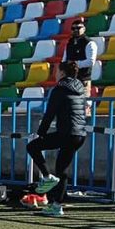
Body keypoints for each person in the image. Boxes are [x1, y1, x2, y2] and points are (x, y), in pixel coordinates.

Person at [27, 61, 88, 217]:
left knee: (32, 146)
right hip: (80, 134)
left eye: (56, 71)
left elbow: (50, 114)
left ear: (62, 73)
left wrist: (41, 133)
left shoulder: (59, 89)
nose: (55, 74)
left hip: (66, 134)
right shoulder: (80, 88)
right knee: (62, 170)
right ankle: (56, 206)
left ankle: (47, 177)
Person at [62, 19, 97, 86]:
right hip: (69, 80)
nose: (75, 30)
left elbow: (91, 61)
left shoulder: (89, 43)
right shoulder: (69, 43)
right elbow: (64, 59)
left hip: (83, 79)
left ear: (84, 29)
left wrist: (74, 64)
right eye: (73, 28)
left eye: (78, 28)